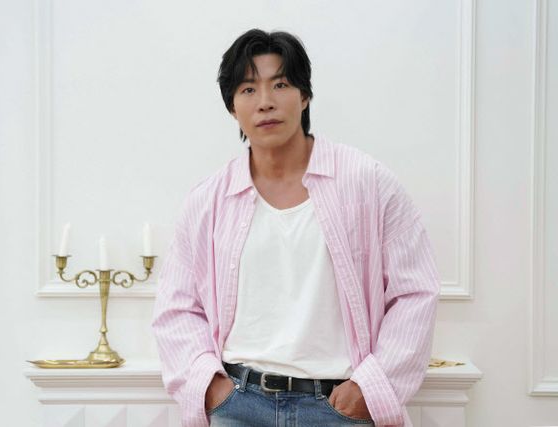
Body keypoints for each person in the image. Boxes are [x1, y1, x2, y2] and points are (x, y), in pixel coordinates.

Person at [152, 28, 440, 427]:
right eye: (248, 89)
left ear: (304, 96)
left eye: (280, 84)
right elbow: (176, 308)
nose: (265, 102)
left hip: (340, 407)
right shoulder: (208, 200)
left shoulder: (367, 182)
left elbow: (415, 292)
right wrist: (210, 387)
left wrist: (371, 387)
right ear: (232, 107)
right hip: (238, 405)